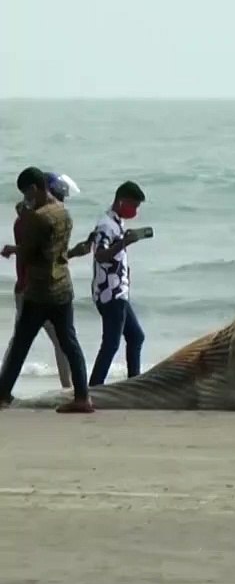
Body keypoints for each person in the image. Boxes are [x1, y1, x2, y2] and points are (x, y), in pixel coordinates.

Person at [0, 167, 93, 412]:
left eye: (26, 193)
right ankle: (82, 397)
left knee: (20, 343)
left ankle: (2, 395)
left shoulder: (37, 217)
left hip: (40, 291)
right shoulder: (63, 211)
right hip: (62, 287)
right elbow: (56, 250)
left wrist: (16, 247)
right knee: (70, 343)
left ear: (33, 188)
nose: (26, 198)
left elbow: (29, 253)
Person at [87, 181, 149, 387]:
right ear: (121, 201)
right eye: (133, 205)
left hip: (118, 292)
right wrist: (124, 243)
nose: (135, 210)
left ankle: (134, 384)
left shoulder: (115, 222)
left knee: (136, 337)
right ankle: (94, 387)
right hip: (110, 293)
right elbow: (100, 255)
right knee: (111, 344)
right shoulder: (106, 224)